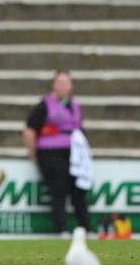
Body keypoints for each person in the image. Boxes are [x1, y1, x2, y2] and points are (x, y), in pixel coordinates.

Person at [22, 70, 92, 238]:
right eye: (59, 82)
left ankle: (87, 229)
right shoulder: (44, 105)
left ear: (71, 85)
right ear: (53, 85)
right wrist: (34, 155)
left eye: (65, 83)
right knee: (58, 190)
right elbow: (29, 130)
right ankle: (62, 230)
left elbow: (80, 131)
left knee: (79, 191)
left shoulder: (74, 105)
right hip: (51, 154)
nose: (62, 86)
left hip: (74, 154)